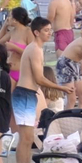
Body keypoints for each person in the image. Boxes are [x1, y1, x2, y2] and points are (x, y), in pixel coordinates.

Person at [13, 18, 68, 155]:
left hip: (28, 94)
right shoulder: (35, 49)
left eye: (50, 30)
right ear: (37, 32)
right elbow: (39, 78)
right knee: (25, 138)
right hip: (25, 93)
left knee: (28, 138)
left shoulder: (37, 49)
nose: (50, 33)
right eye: (46, 30)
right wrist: (61, 88)